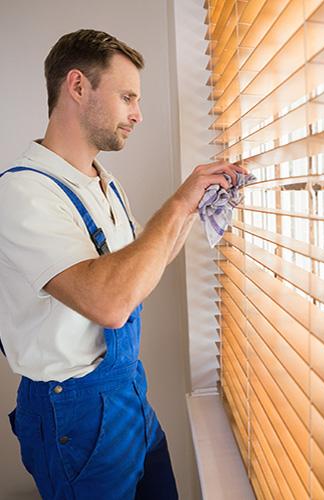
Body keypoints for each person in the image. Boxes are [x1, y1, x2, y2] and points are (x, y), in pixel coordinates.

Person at [0, 29, 245, 499]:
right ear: (77, 86)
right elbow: (110, 302)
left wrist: (194, 206)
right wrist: (177, 205)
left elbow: (135, 277)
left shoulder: (104, 184)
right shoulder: (24, 193)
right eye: (127, 96)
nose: (138, 114)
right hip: (75, 411)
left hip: (129, 391)